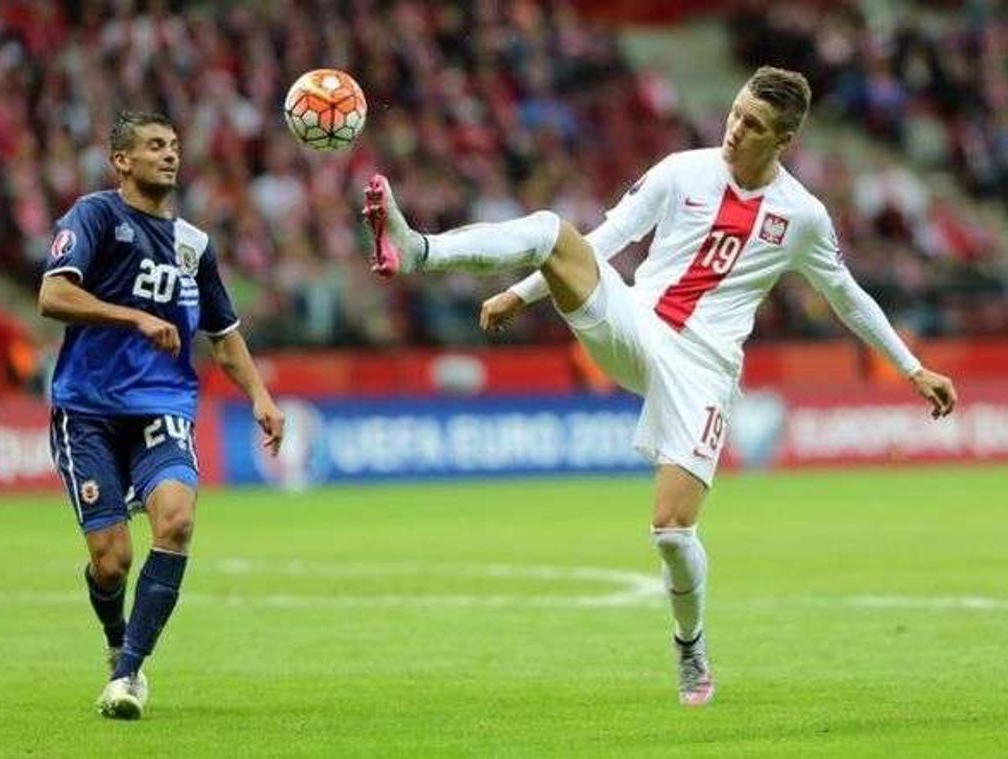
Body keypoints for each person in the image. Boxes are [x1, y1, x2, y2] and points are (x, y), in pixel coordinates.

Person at [361, 67, 957, 707]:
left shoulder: (803, 217)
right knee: (549, 230)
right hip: (637, 326)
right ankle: (417, 247)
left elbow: (847, 297)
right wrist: (522, 292)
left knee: (672, 533)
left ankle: (689, 642)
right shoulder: (681, 170)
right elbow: (607, 239)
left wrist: (911, 367)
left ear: (782, 139)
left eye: (753, 125)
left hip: (703, 372)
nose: (734, 129)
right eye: (735, 113)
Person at [38, 111, 285, 719]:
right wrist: (135, 317)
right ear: (122, 160)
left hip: (163, 407)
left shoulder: (193, 245)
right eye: (154, 146)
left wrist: (259, 394)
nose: (170, 155)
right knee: (111, 560)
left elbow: (224, 334)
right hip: (87, 410)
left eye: (174, 145)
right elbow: (53, 295)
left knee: (175, 522)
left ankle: (127, 675)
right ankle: (115, 639)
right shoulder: (94, 217)